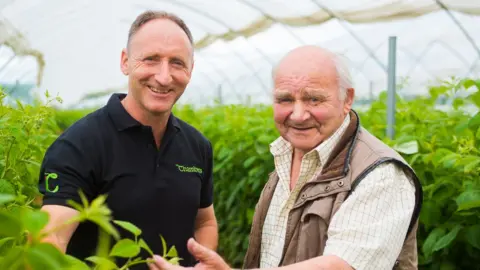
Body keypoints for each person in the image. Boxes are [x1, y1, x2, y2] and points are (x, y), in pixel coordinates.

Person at [147, 45, 423, 270]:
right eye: (285, 100)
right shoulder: (286, 156)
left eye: (314, 99)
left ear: (347, 98)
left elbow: (340, 266)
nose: (299, 114)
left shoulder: (381, 174)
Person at [37, 10, 218, 269]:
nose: (164, 76)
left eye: (177, 62)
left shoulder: (197, 146)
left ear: (190, 69)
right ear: (125, 62)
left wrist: (201, 262)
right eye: (151, 59)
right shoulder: (79, 145)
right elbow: (49, 239)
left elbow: (205, 222)